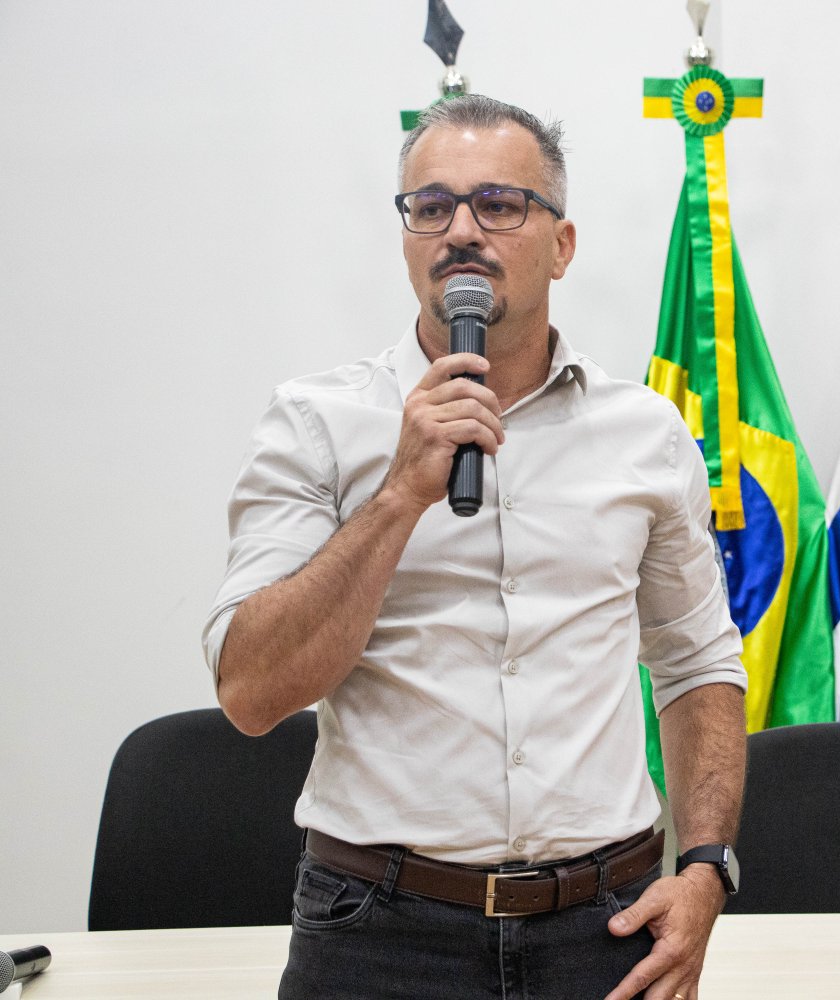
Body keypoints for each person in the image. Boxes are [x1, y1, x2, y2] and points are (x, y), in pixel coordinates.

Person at [203, 95, 748, 1000]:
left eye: (498, 204)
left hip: (604, 928)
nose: (461, 231)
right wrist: (399, 495)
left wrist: (704, 870)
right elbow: (252, 693)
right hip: (377, 933)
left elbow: (696, 665)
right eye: (432, 207)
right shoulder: (315, 423)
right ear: (407, 239)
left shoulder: (646, 434)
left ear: (561, 246)